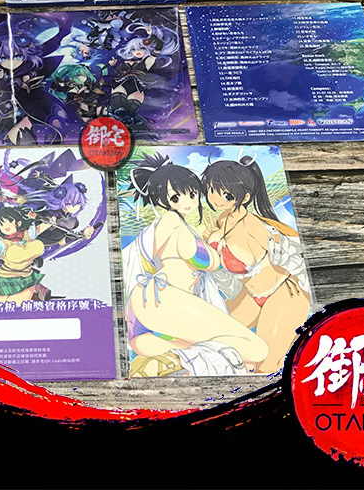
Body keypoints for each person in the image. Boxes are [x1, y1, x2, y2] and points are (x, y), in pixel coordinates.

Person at [123, 153, 268, 376]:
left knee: (151, 344)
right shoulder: (172, 221)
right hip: (165, 298)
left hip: (150, 301)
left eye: (192, 194)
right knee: (257, 349)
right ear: (161, 201)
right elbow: (199, 258)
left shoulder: (169, 225)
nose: (187, 202)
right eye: (175, 198)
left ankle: (163, 360)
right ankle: (181, 361)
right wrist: (214, 251)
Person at [202, 156, 311, 373]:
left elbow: (290, 255)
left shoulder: (254, 227)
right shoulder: (222, 220)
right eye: (211, 190)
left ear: (245, 197)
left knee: (267, 367)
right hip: (250, 295)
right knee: (209, 339)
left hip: (284, 294)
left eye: (226, 194)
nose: (216, 199)